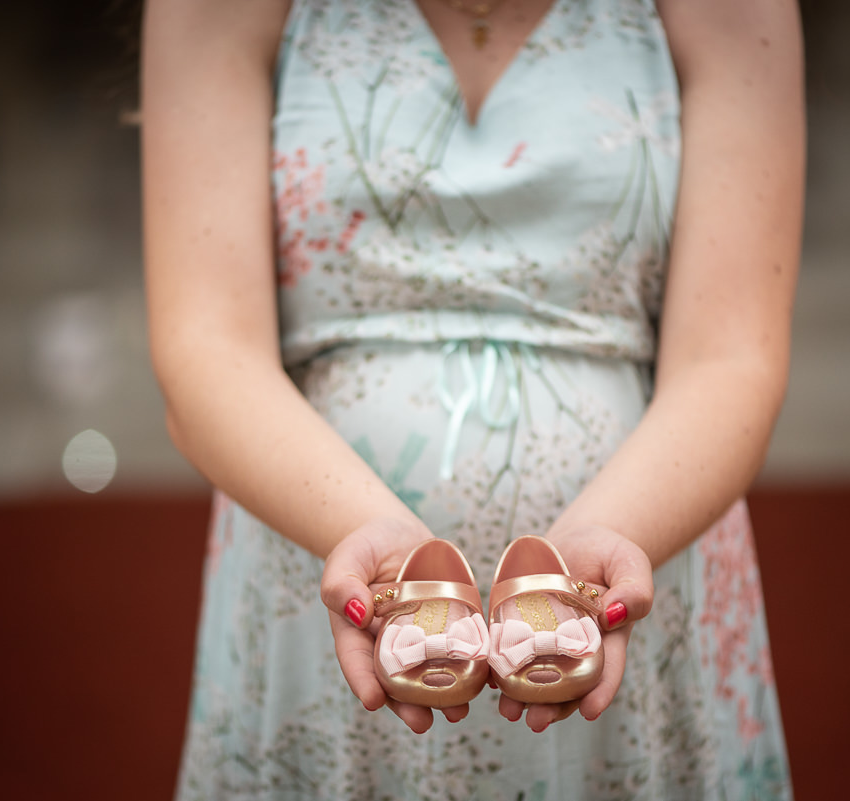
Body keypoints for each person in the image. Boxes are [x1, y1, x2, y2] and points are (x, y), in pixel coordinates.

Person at [142, 0, 803, 798]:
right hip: (315, 559)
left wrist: (612, 535)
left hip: (640, 552)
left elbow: (732, 357)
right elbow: (204, 346)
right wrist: (360, 532)